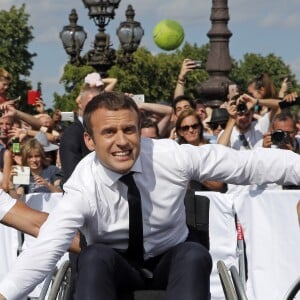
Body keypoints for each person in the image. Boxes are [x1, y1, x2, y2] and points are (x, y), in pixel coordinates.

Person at [2, 92, 300, 300]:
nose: (122, 142)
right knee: (93, 257)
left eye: (129, 130)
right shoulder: (84, 182)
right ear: (89, 141)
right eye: (109, 132)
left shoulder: (171, 156)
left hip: (169, 260)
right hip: (114, 266)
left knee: (195, 254)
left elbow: (248, 165)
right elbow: (47, 246)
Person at [175, 109, 226, 192]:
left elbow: (219, 186)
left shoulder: (211, 150)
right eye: (185, 128)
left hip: (208, 200)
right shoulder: (176, 152)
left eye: (194, 126)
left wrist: (194, 172)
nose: (191, 130)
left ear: (200, 127)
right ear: (180, 132)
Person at [59, 85, 101, 183]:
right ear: (80, 104)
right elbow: (72, 176)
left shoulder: (102, 130)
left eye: (99, 102)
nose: (96, 106)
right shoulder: (71, 134)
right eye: (91, 102)